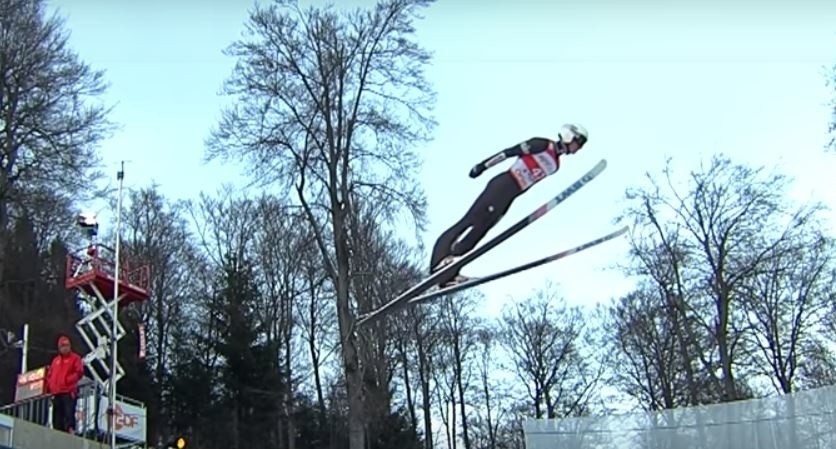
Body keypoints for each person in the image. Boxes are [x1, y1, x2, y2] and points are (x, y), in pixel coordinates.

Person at [429, 123, 589, 286]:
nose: (578, 149)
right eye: (578, 143)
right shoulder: (542, 145)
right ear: (570, 136)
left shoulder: (555, 166)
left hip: (511, 196)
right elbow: (509, 152)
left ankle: (450, 271)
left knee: (482, 230)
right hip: (502, 185)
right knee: (470, 220)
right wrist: (483, 166)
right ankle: (438, 260)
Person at [46, 335, 84, 433]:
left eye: (67, 345)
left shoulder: (75, 358)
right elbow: (49, 375)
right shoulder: (55, 360)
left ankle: (70, 430)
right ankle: (57, 432)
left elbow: (79, 372)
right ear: (59, 348)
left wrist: (68, 381)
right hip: (57, 392)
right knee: (57, 416)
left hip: (68, 391)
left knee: (68, 414)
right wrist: (50, 386)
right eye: (63, 346)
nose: (65, 347)